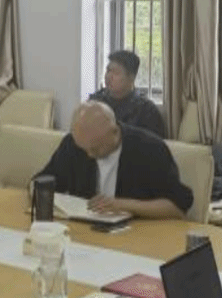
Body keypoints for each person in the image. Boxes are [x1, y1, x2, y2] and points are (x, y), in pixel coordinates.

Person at [35, 101, 192, 219]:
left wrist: (124, 205)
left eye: (95, 149)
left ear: (115, 132)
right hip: (85, 233)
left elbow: (177, 208)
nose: (89, 155)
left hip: (137, 235)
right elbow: (41, 182)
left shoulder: (149, 149)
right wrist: (36, 190)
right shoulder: (73, 145)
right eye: (84, 149)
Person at [87, 49, 166, 138]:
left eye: (116, 73)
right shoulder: (94, 102)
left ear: (131, 77)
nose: (108, 76)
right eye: (108, 70)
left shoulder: (146, 110)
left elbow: (155, 143)